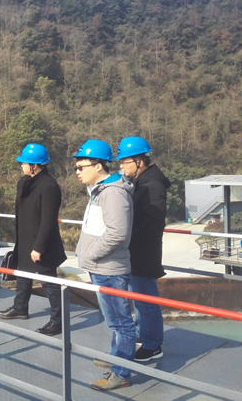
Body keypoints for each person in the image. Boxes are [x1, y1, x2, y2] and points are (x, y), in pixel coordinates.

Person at [73, 139, 136, 392]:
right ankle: (116, 358)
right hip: (100, 266)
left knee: (121, 323)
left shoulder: (112, 193)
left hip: (108, 268)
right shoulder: (100, 189)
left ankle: (121, 373)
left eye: (81, 167)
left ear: (98, 166)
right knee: (115, 322)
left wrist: (90, 256)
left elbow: (117, 232)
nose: (77, 172)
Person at [0, 144, 67, 336]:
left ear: (34, 165)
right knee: (23, 274)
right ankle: (20, 308)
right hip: (25, 238)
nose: (21, 166)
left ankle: (57, 321)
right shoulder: (24, 182)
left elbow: (48, 220)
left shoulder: (49, 186)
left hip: (41, 243)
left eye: (24, 163)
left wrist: (39, 247)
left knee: (49, 281)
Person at [116, 136, 171, 362]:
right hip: (135, 251)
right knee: (139, 299)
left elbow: (152, 223)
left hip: (144, 253)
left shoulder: (152, 185)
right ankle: (144, 334)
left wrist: (128, 238)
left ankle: (153, 344)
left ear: (139, 161)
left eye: (124, 161)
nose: (122, 166)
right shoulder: (140, 182)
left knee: (146, 300)